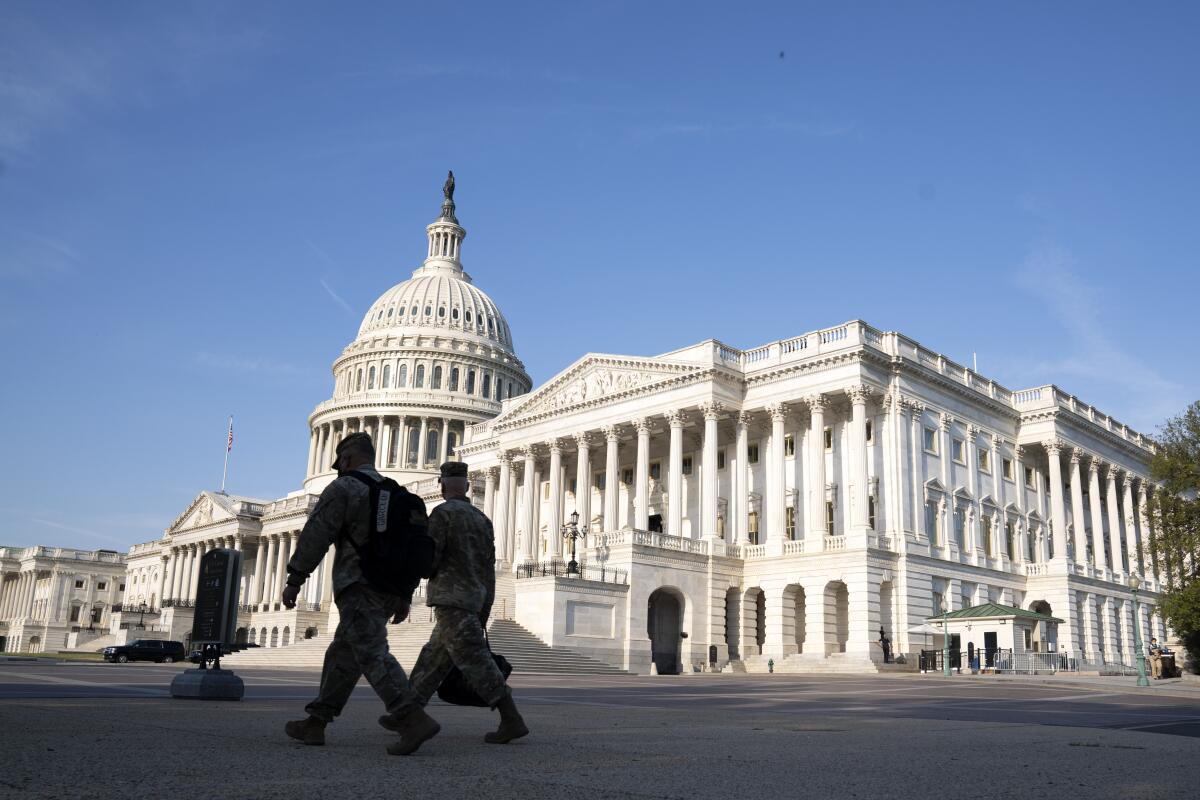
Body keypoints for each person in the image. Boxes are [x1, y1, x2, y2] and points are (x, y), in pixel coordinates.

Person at [280, 432, 440, 753]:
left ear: (347, 459)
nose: (338, 467)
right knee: (343, 652)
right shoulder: (396, 493)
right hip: (389, 587)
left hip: (358, 584)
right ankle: (317, 721)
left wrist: (296, 577)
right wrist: (405, 594)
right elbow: (413, 548)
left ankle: (410, 716)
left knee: (371, 652)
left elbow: (317, 535)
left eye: (339, 461)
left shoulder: (345, 488)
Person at [384, 461, 527, 755]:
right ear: (468, 486)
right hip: (475, 597)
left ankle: (511, 718)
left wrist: (413, 574)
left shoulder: (443, 514)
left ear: (442, 484)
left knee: (475, 660)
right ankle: (407, 713)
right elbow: (489, 567)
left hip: (451, 597)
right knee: (432, 659)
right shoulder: (482, 519)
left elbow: (431, 559)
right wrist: (484, 605)